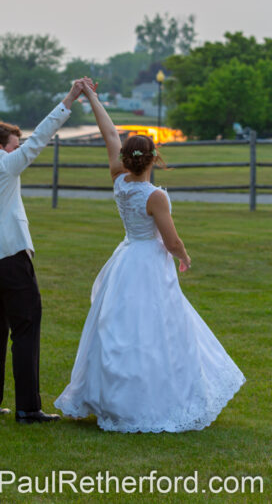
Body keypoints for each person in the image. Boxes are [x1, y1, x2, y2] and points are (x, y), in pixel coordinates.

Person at [54, 80, 246, 433]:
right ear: (154, 158)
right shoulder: (155, 196)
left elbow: (109, 133)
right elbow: (171, 240)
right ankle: (152, 399)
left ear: (125, 159)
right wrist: (184, 255)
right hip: (149, 262)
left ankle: (116, 395)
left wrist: (91, 97)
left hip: (126, 257)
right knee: (158, 328)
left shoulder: (118, 180)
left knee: (122, 328)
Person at [0, 79, 94, 425]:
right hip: (11, 259)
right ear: (0, 148)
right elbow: (40, 138)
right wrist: (69, 99)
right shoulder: (3, 164)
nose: (20, 149)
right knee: (25, 330)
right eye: (16, 145)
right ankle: (28, 408)